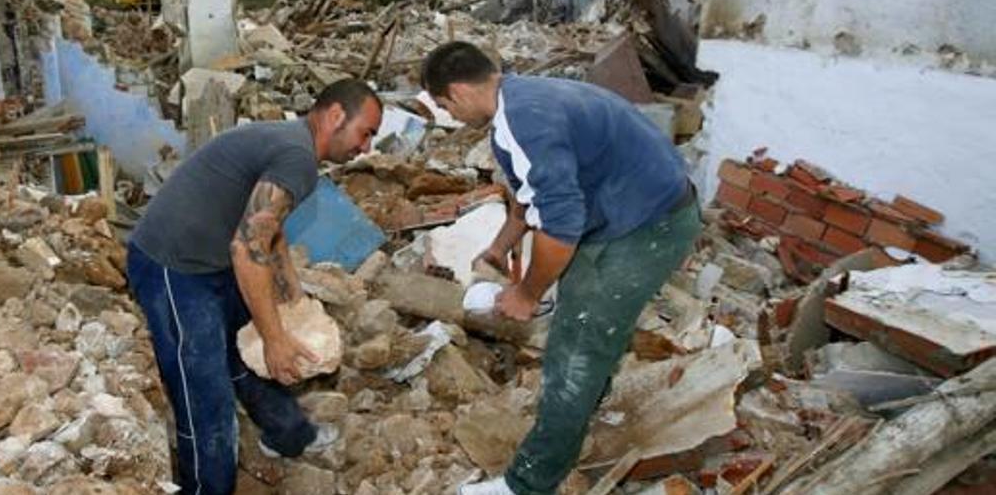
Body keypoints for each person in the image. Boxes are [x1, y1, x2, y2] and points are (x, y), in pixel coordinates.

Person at [420, 42, 701, 495]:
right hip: (626, 207)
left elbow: (561, 228)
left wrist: (527, 294)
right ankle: (591, 395)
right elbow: (529, 198)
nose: (449, 115)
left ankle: (528, 484)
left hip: (650, 224)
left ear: (458, 91)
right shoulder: (517, 101)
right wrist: (498, 248)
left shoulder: (523, 123)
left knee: (573, 354)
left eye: (444, 105)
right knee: (580, 313)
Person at [125, 79, 383, 494]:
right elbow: (248, 248)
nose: (366, 147)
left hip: (214, 257)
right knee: (205, 392)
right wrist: (275, 335)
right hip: (173, 264)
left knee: (249, 349)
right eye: (366, 132)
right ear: (336, 116)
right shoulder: (297, 156)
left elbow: (268, 231)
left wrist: (292, 299)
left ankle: (289, 435)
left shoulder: (295, 147)